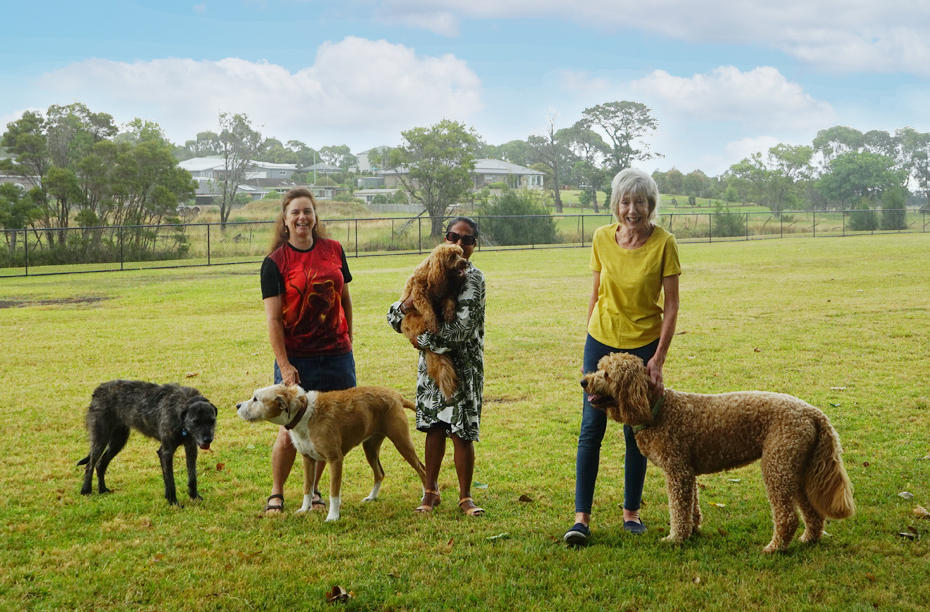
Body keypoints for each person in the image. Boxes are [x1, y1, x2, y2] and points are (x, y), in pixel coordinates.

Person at [564, 168, 681, 546]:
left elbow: (673, 307)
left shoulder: (664, 243)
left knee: (637, 428)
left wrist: (657, 360)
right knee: (590, 428)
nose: (633, 210)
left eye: (640, 202)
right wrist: (589, 338)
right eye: (626, 202)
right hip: (600, 341)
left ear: (651, 205)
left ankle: (632, 513)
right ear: (616, 204)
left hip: (643, 345)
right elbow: (596, 291)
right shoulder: (601, 238)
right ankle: (581, 519)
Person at [259, 187, 356, 514]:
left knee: (329, 427)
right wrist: (285, 366)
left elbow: (344, 299)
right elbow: (273, 319)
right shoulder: (274, 262)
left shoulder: (334, 250)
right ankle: (276, 492)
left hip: (337, 354)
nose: (302, 217)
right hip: (298, 358)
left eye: (308, 211)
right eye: (295, 212)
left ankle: (314, 492)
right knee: (290, 430)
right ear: (285, 221)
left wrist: (349, 339)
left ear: (315, 217)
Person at [387, 217, 486, 516]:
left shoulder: (474, 278)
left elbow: (462, 330)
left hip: (464, 367)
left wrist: (423, 340)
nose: (458, 243)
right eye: (453, 236)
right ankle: (429, 492)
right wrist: (406, 306)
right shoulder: (427, 269)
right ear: (444, 238)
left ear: (473, 246)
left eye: (466, 240)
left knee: (461, 432)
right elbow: (393, 317)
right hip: (432, 369)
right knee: (434, 428)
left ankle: (466, 497)